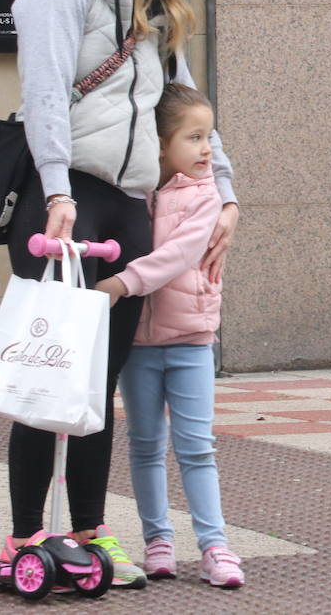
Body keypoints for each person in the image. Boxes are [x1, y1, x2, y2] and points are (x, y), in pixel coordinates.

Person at [1, 0, 237, 588]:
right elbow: (42, 94)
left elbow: (185, 101)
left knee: (97, 386)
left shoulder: (155, 8)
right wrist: (54, 190)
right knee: (48, 383)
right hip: (67, 200)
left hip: (128, 204)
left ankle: (89, 534)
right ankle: (24, 537)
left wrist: (225, 192)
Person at [94, 84, 244, 588]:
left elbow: (176, 256)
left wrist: (120, 284)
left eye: (210, 136)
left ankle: (215, 547)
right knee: (145, 445)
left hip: (190, 339)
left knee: (197, 447)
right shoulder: (133, 191)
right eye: (194, 137)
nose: (207, 149)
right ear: (160, 144)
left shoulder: (206, 196)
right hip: (138, 343)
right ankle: (157, 540)